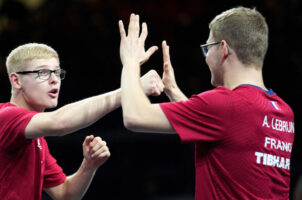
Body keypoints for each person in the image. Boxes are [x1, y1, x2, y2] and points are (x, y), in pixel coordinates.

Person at [119, 7, 295, 199]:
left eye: (208, 48)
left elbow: (134, 115)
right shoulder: (283, 112)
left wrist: (130, 61)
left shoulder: (225, 104)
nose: (206, 57)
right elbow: (225, 135)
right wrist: (174, 91)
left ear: (223, 49)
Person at [0, 43, 165, 200]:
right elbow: (60, 122)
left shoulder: (37, 140)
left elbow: (65, 194)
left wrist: (89, 165)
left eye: (56, 72)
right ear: (16, 81)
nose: (54, 80)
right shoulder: (3, 117)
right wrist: (130, 88)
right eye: (42, 73)